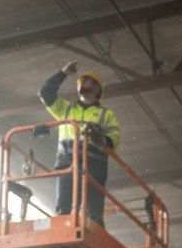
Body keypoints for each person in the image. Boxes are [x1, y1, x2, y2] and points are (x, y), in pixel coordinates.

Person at [39, 62, 121, 226]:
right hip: (67, 165)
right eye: (82, 81)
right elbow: (45, 93)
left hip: (94, 167)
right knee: (64, 210)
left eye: (89, 81)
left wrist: (102, 139)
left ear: (98, 89)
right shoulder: (65, 109)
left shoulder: (106, 114)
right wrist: (63, 72)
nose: (84, 83)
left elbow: (114, 139)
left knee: (93, 214)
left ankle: (96, 231)